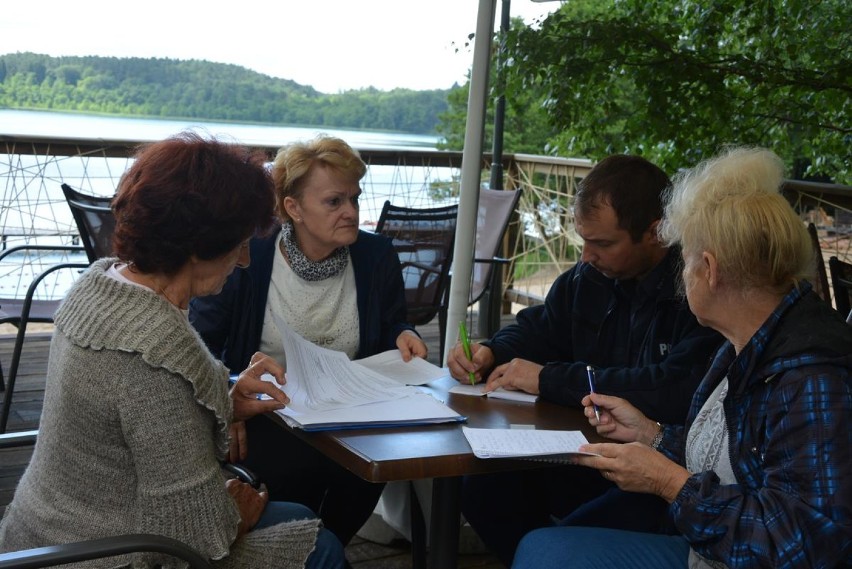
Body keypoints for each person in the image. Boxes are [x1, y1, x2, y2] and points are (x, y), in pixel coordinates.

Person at [0, 132, 345, 568]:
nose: (244, 261)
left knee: (297, 514)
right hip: (106, 554)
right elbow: (194, 538)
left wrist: (227, 396)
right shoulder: (153, 358)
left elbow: (137, 419)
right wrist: (239, 514)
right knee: (321, 546)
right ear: (199, 246)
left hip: (38, 534)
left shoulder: (98, 283)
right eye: (239, 244)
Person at [513, 147, 852, 568]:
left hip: (717, 556)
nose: (680, 273)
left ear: (709, 269)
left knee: (546, 553)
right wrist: (652, 435)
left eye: (685, 259)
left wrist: (668, 482)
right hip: (704, 547)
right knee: (542, 545)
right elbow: (729, 458)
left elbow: (807, 546)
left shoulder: (810, 376)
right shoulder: (743, 344)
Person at [446, 154, 724, 566]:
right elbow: (539, 326)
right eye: (583, 240)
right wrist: (492, 351)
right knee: (480, 489)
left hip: (656, 469)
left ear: (657, 232)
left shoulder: (695, 291)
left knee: (556, 539)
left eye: (602, 243)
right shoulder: (590, 276)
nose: (586, 255)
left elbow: (670, 387)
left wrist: (549, 379)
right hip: (579, 450)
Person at [189, 134, 427, 547]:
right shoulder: (250, 255)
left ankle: (321, 547)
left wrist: (404, 333)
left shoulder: (376, 255)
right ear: (293, 208)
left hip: (352, 410)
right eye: (334, 202)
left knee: (377, 465)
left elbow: (390, 323)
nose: (351, 212)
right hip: (270, 413)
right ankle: (306, 548)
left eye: (355, 198)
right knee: (292, 470)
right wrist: (229, 395)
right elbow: (200, 342)